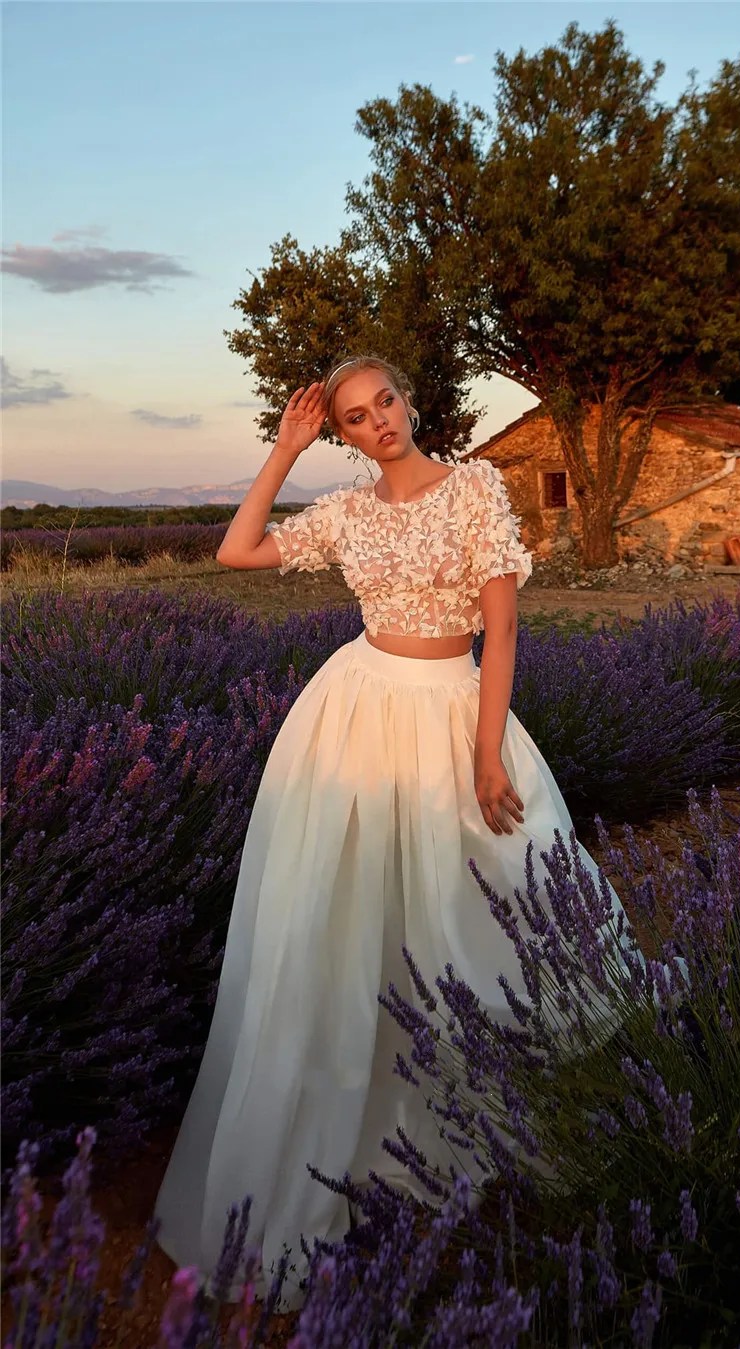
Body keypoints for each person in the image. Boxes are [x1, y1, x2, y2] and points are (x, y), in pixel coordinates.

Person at [153, 354, 634, 1310]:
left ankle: (486, 1129)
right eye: (355, 419)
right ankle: (355, 1144)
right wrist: (285, 453)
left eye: (386, 404)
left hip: (455, 714)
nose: (379, 424)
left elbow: (502, 631)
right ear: (344, 433)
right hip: (356, 714)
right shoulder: (348, 513)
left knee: (488, 908)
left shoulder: (476, 489)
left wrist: (489, 752)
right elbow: (237, 551)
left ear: (409, 402)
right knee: (350, 926)